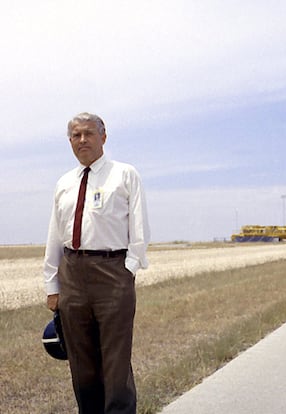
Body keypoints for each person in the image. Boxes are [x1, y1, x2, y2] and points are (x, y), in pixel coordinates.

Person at [44, 112, 150, 413]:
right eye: (76, 135)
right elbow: (55, 235)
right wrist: (52, 284)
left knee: (115, 360)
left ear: (103, 137)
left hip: (112, 272)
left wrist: (128, 268)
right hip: (72, 275)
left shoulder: (124, 174)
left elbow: (139, 229)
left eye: (89, 133)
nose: (82, 140)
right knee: (81, 361)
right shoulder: (64, 183)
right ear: (70, 141)